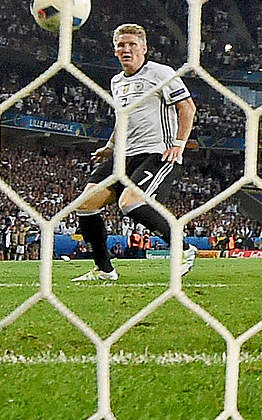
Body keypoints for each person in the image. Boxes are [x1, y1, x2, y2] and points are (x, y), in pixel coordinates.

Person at [71, 23, 198, 282]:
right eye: (121, 45)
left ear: (144, 49)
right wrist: (109, 147)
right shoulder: (117, 82)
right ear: (115, 50)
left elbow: (187, 108)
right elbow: (123, 119)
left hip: (157, 152)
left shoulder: (161, 73)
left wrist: (178, 144)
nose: (126, 49)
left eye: (132, 45)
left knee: (129, 203)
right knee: (84, 205)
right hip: (124, 156)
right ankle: (104, 270)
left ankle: (184, 249)